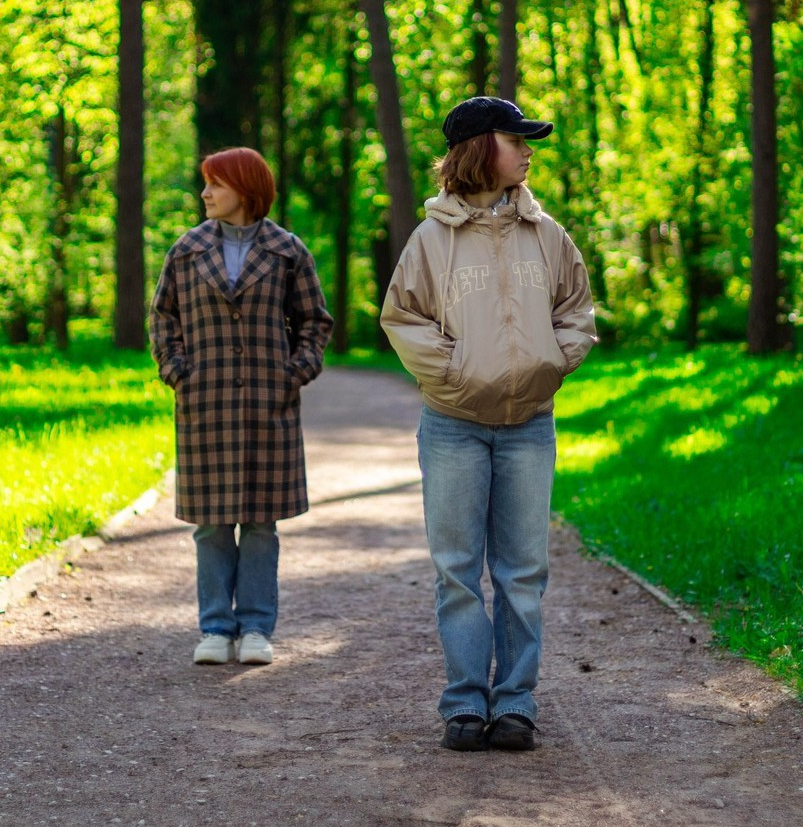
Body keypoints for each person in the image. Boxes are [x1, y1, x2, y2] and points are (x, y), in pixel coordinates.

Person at [380, 96, 596, 752]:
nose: (528, 150)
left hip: (529, 425)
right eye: (516, 139)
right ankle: (466, 704)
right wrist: (455, 374)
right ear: (479, 148)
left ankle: (516, 704)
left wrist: (548, 364)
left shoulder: (546, 233)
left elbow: (576, 312)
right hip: (453, 426)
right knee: (456, 572)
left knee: (522, 573)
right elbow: (403, 318)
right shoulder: (431, 239)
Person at [150, 146, 333, 667]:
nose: (205, 193)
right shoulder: (186, 251)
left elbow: (315, 322)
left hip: (266, 407)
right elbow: (163, 319)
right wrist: (178, 372)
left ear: (245, 190)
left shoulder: (287, 251)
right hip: (205, 406)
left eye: (216, 184)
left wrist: (292, 374)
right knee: (210, 523)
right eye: (206, 183)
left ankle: (255, 628)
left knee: (259, 523)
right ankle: (214, 628)